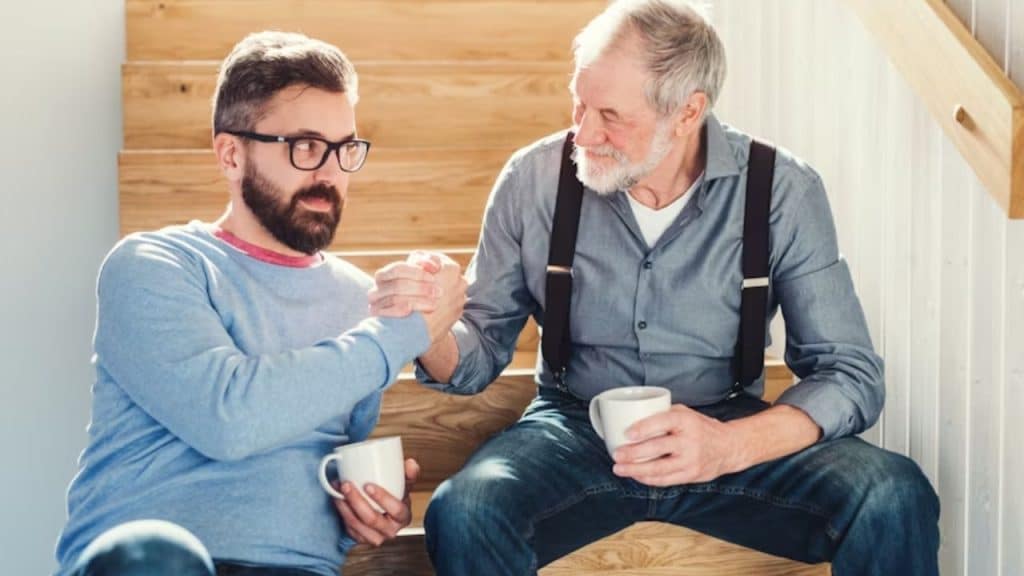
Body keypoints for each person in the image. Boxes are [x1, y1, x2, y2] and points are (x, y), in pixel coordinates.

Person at [370, 1, 940, 574]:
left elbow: (849, 372)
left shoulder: (781, 189)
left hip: (726, 426)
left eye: (611, 115)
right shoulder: (533, 180)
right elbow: (475, 358)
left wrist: (731, 445)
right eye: (579, 103)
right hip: (575, 429)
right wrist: (429, 325)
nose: (583, 132)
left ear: (688, 112)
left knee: (892, 494)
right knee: (466, 509)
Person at [55, 31, 466, 576]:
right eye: (305, 146)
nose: (329, 173)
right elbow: (229, 419)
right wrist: (402, 334)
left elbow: (317, 456)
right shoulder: (154, 265)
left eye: (345, 149)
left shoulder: (358, 302)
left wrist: (364, 510)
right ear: (231, 154)